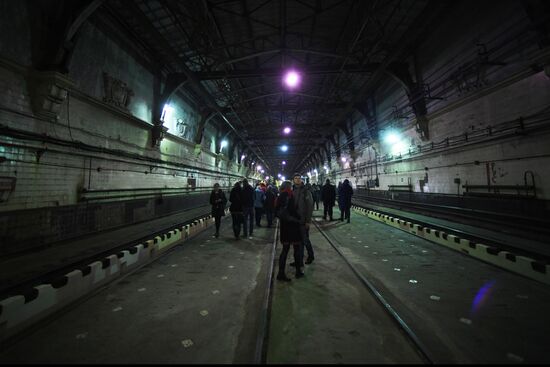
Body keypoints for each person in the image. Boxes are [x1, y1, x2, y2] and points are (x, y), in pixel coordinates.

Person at [275, 180, 304, 281]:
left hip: (284, 226)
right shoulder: (288, 195)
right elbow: (291, 211)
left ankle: (281, 273)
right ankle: (298, 271)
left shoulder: (280, 196)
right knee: (296, 248)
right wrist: (299, 218)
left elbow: (278, 211)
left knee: (285, 249)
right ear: (288, 186)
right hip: (292, 226)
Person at [292, 172, 315, 266]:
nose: (297, 179)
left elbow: (310, 206)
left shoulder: (306, 191)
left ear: (301, 179)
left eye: (299, 178)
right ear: (293, 180)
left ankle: (311, 256)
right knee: (297, 242)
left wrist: (308, 221)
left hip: (303, 220)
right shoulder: (292, 190)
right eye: (295, 178)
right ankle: (298, 260)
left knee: (305, 240)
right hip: (295, 220)